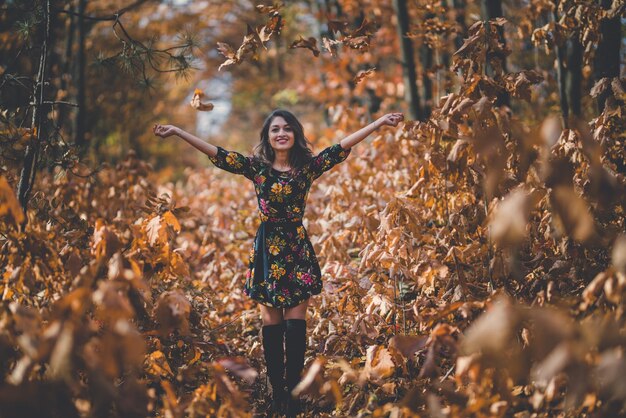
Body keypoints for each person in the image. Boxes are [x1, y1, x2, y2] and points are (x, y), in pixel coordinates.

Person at [153, 109, 403, 416]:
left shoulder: (307, 168)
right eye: (275, 130)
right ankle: (277, 393)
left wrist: (378, 123)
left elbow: (340, 148)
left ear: (295, 134)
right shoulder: (257, 169)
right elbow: (218, 154)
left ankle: (294, 390)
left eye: (286, 128)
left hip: (297, 249)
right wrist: (178, 131)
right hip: (267, 252)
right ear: (268, 138)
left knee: (295, 325)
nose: (281, 133)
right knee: (271, 324)